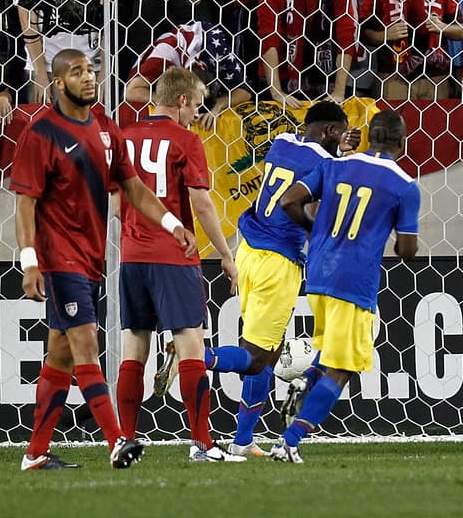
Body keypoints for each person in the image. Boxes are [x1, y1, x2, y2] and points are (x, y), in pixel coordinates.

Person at [11, 48, 195, 470]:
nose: (89, 79)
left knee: (59, 354)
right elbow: (24, 202)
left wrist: (172, 224)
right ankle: (118, 441)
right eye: (77, 73)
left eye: (91, 71)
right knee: (86, 345)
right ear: (58, 83)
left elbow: (131, 186)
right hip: (60, 259)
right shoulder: (42, 132)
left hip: (91, 258)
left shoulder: (107, 127)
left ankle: (35, 454)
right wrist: (29, 261)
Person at [193, 100, 356, 456]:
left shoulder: (282, 141)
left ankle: (242, 441)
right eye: (340, 132)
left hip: (248, 250)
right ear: (330, 131)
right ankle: (194, 357)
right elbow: (311, 204)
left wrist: (337, 152)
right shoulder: (325, 164)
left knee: (270, 352)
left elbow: (308, 156)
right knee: (255, 356)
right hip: (278, 263)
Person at [270, 109, 420, 463]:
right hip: (353, 281)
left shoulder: (335, 165)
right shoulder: (404, 185)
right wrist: (397, 241)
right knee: (344, 367)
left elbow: (288, 201)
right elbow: (408, 250)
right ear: (402, 141)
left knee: (330, 353)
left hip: (318, 274)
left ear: (370, 136)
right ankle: (289, 442)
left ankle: (306, 379)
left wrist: (314, 230)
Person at [114, 67, 244, 463]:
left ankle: (125, 441)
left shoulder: (126, 136)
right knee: (191, 346)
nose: (196, 115)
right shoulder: (186, 140)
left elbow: (117, 203)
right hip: (174, 257)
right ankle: (202, 443)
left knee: (133, 349)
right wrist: (225, 252)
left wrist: (137, 234)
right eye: (197, 106)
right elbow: (202, 203)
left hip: (132, 257)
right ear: (183, 100)